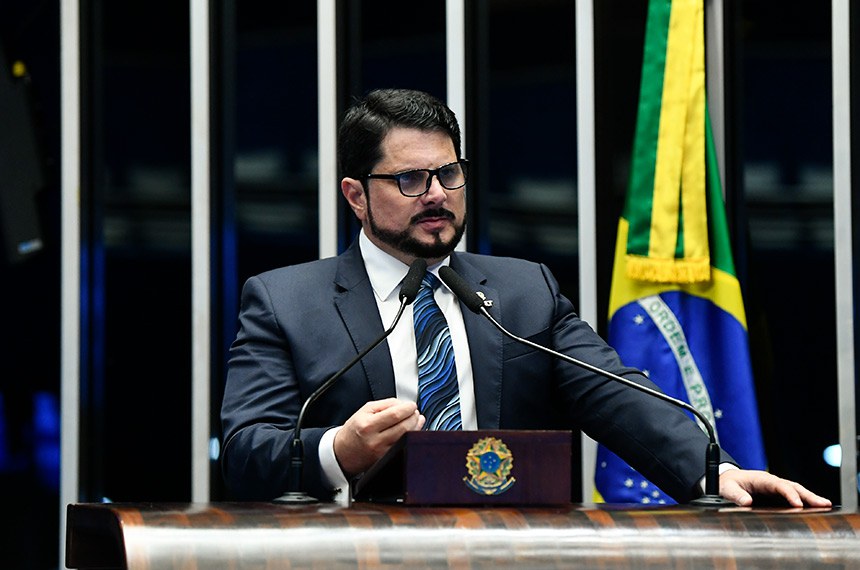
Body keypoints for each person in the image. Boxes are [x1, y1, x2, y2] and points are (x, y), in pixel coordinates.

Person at [221, 88, 830, 508]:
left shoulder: (520, 291)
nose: (437, 194)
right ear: (356, 195)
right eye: (410, 180)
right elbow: (247, 452)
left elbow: (616, 394)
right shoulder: (285, 301)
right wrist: (338, 450)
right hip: (360, 552)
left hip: (507, 545)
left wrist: (714, 470)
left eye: (449, 173)